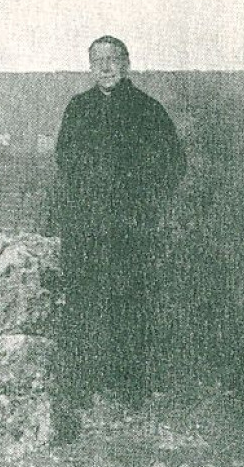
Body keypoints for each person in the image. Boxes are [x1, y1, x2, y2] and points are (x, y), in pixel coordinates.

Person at [52, 36, 186, 409]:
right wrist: (85, 202)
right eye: (98, 61)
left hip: (131, 230)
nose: (106, 67)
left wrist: (144, 206)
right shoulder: (78, 109)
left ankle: (129, 387)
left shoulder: (147, 109)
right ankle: (81, 385)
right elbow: (66, 160)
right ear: (90, 67)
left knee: (129, 305)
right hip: (88, 228)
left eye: (113, 59)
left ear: (126, 64)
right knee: (83, 303)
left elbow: (173, 163)